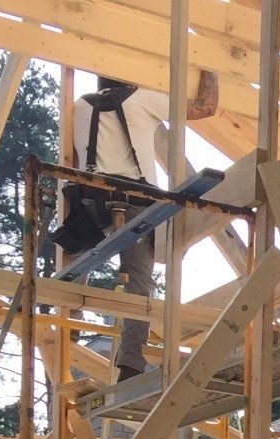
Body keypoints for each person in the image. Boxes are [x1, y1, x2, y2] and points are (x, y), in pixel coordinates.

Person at [65, 70, 220, 380]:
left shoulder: (80, 107)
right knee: (139, 281)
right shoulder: (143, 99)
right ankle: (131, 361)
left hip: (93, 201)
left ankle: (69, 322)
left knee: (76, 258)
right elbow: (203, 108)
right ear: (129, 78)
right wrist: (210, 71)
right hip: (137, 200)